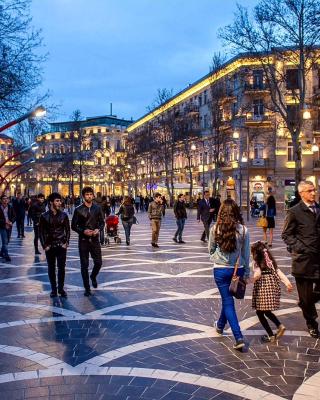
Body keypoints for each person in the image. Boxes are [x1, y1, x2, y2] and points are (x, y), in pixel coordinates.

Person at [208, 199, 250, 350]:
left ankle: (238, 337)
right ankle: (220, 326)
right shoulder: (244, 230)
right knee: (228, 301)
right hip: (236, 269)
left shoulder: (215, 229)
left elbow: (211, 251)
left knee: (227, 301)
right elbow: (246, 255)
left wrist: (219, 258)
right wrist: (246, 273)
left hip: (220, 270)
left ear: (221, 212)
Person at [282, 180, 320, 338]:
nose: (313, 193)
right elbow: (286, 235)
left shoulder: (319, 209)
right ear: (301, 193)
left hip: (318, 259)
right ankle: (312, 324)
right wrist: (300, 248)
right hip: (303, 261)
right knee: (305, 296)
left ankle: (305, 303)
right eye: (310, 190)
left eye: (314, 190)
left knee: (309, 298)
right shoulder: (294, 211)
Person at [251, 241, 293, 342]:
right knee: (266, 311)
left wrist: (251, 279)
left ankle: (271, 335)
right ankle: (279, 326)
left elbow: (258, 274)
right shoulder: (271, 262)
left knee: (260, 312)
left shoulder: (257, 261)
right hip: (272, 288)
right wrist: (287, 283)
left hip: (262, 288)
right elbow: (279, 272)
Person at [71, 187, 105, 296]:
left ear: (93, 195)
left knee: (98, 262)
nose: (89, 196)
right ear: (83, 196)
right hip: (83, 241)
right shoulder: (78, 209)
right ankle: (87, 287)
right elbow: (73, 226)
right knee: (84, 265)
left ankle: (93, 276)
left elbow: (102, 223)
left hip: (95, 240)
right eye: (87, 194)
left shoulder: (97, 208)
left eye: (91, 194)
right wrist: (83, 231)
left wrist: (97, 229)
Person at [39, 193, 70, 298]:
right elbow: (41, 232)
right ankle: (53, 289)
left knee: (62, 268)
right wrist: (44, 245)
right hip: (50, 246)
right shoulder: (44, 216)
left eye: (60, 201)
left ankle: (61, 289)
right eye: (57, 201)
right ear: (51, 202)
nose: (59, 203)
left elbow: (67, 230)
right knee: (51, 268)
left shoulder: (64, 215)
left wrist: (66, 243)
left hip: (61, 245)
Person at [0, 194, 16, 262]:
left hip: (9, 226)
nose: (5, 200)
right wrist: (5, 222)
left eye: (6, 198)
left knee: (7, 241)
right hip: (2, 226)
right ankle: (6, 255)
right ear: (1, 200)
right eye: (3, 199)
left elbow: (14, 216)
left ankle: (1, 252)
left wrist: (11, 222)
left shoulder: (10, 207)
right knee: (5, 240)